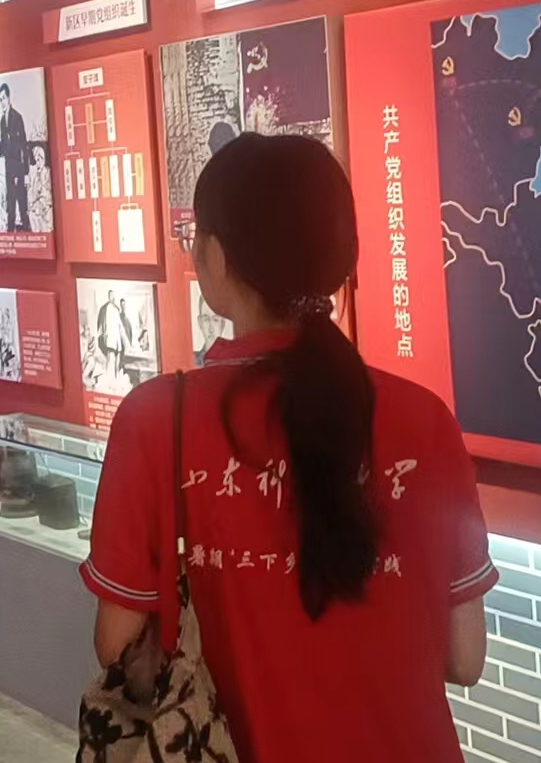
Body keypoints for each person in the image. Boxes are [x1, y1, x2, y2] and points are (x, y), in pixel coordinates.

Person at [83, 133, 494, 763]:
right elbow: (465, 658)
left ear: (215, 256)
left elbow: (117, 645)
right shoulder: (425, 420)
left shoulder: (157, 420)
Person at [0, 83, 31, 232]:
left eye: (4, 98)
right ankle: (10, 234)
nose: (2, 102)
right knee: (10, 204)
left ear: (9, 98)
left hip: (19, 169)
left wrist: (25, 172)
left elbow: (23, 146)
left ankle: (27, 232)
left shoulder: (17, 118)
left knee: (22, 204)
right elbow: (4, 147)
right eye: (0, 99)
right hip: (8, 169)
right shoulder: (1, 121)